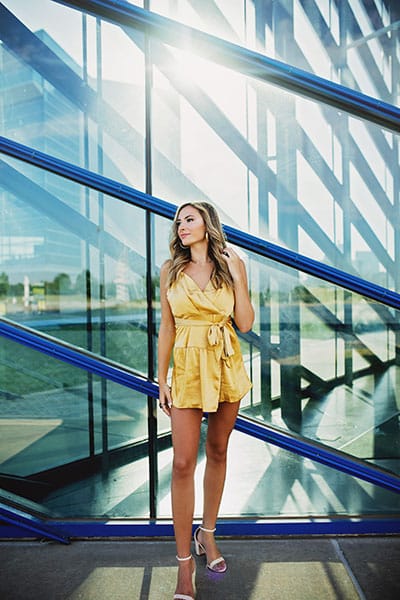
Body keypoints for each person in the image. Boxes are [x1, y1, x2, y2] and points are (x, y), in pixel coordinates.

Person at [157, 202, 254, 600]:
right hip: (187, 369)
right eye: (179, 221)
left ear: (208, 223)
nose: (182, 226)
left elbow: (245, 323)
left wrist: (238, 276)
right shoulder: (169, 270)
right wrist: (159, 378)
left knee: (217, 450)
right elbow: (167, 326)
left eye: (190, 219)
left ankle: (207, 536)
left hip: (225, 362)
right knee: (182, 463)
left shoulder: (233, 262)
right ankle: (184, 568)